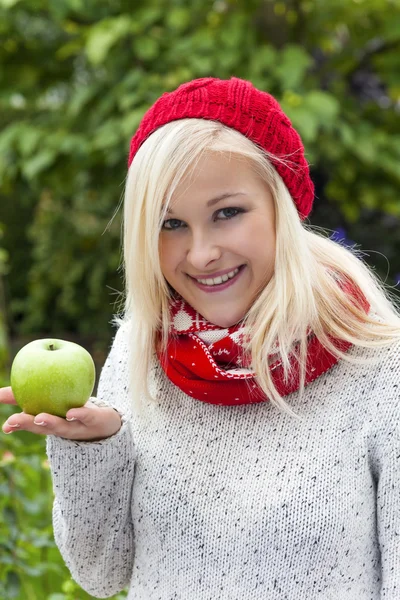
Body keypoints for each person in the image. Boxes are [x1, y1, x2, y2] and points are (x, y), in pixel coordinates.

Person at [1, 76, 400, 599]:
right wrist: (93, 448)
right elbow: (102, 575)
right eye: (171, 224)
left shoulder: (378, 365)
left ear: (283, 205)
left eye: (227, 213)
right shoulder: (141, 351)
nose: (200, 253)